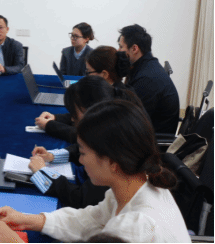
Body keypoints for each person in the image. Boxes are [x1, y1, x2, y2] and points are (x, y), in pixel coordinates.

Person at [0, 100, 190, 243]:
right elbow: (91, 220)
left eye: (83, 152)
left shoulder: (134, 228)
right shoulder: (133, 184)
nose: (80, 160)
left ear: (112, 162)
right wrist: (31, 220)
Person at [29, 77, 142, 209]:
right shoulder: (113, 129)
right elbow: (83, 150)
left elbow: (82, 199)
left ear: (92, 111)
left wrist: (43, 173)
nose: (72, 119)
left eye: (75, 114)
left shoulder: (112, 149)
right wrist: (52, 156)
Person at [118, 24, 180, 134]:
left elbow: (130, 119)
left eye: (121, 47)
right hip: (148, 133)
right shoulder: (147, 66)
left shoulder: (146, 79)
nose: (118, 51)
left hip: (153, 140)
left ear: (134, 48)